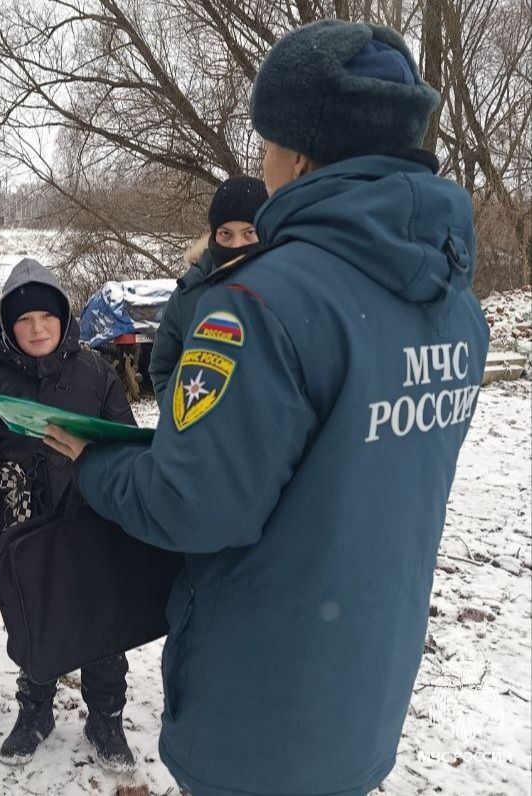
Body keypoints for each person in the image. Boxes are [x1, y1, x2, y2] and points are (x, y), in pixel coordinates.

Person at [45, 20, 489, 796]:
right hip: (366, 687)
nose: (262, 164)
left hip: (259, 705)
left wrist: (98, 462)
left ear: (301, 153)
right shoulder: (454, 307)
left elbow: (193, 507)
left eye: (265, 143)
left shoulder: (252, 305)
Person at [0, 258, 138, 772]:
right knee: (35, 623)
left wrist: (128, 512)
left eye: (46, 318)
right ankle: (35, 711)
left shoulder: (96, 374)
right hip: (26, 531)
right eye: (24, 320)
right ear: (9, 328)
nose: (37, 329)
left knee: (102, 624)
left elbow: (124, 445)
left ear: (63, 319)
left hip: (91, 522)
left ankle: (106, 717)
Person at [150, 176, 268, 404]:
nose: (237, 245)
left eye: (249, 233)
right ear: (214, 235)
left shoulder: (288, 288)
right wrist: (182, 420)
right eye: (226, 234)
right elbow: (162, 369)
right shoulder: (189, 292)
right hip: (203, 437)